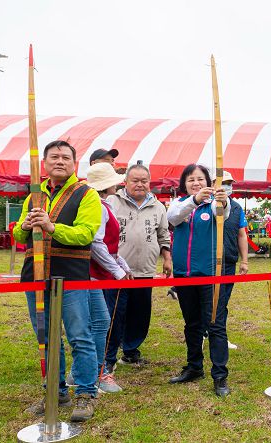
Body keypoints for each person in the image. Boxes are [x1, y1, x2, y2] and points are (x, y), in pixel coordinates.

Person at [14, 140, 102, 422]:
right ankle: (55, 391)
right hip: (36, 275)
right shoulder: (34, 196)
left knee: (79, 336)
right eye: (54, 157)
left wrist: (51, 227)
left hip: (71, 276)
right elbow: (17, 234)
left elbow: (85, 234)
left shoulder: (87, 194)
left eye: (66, 157)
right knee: (46, 338)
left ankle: (86, 393)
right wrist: (25, 227)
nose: (60, 161)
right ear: (45, 163)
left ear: (74, 163)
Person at [166, 164, 232, 397]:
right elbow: (173, 218)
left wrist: (222, 200)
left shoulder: (214, 203)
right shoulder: (180, 204)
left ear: (209, 182)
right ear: (184, 183)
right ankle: (194, 367)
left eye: (201, 179)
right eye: (191, 179)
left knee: (215, 324)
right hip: (184, 275)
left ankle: (220, 375)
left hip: (210, 275)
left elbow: (222, 213)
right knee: (191, 324)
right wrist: (194, 199)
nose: (196, 183)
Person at [105, 164, 172, 370]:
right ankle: (108, 356)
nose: (140, 184)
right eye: (135, 180)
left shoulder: (158, 206)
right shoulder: (113, 201)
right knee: (115, 313)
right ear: (125, 181)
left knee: (140, 313)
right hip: (117, 272)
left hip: (146, 270)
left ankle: (131, 351)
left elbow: (163, 235)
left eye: (144, 181)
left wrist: (167, 258)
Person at [85, 163, 129, 394]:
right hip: (94, 275)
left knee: (97, 324)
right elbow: (96, 244)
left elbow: (109, 246)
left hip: (100, 272)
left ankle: (87, 371)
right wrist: (117, 271)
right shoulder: (99, 207)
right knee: (99, 324)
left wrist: (121, 264)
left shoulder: (103, 205)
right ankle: (96, 373)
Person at [219, 171, 250, 349]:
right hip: (208, 262)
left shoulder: (237, 208)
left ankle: (220, 336)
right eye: (223, 183)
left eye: (229, 183)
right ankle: (202, 334)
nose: (227, 187)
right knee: (207, 300)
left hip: (229, 260)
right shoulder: (206, 205)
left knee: (223, 301)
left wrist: (244, 261)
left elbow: (242, 234)